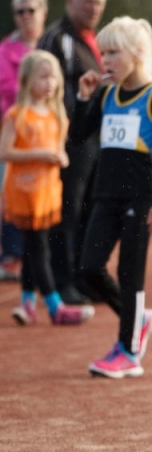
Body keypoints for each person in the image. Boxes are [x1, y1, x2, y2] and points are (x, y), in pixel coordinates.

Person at [72, 16, 152, 379]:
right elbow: (77, 135)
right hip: (105, 195)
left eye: (114, 52)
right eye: (104, 53)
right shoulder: (105, 94)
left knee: (131, 275)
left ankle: (128, 352)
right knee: (87, 269)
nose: (106, 60)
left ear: (138, 53)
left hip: (140, 198)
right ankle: (139, 319)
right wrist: (84, 97)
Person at [0, 50, 95, 325]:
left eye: (54, 77)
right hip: (24, 193)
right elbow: (5, 151)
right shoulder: (17, 115)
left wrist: (61, 156)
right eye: (43, 76)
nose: (50, 83)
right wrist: (40, 154)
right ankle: (55, 305)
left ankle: (27, 301)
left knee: (34, 246)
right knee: (39, 246)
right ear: (27, 79)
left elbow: (60, 148)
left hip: (47, 193)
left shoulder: (57, 115)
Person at [37, 0, 107, 305]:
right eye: (87, 1)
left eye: (99, 2)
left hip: (94, 139)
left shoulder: (95, 40)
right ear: (69, 2)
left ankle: (83, 278)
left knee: (90, 210)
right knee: (68, 211)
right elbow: (48, 88)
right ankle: (62, 281)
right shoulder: (57, 38)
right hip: (68, 139)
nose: (94, 8)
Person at [0, 0, 50, 281]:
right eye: (20, 11)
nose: (26, 16)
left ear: (43, 12)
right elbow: (7, 91)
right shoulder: (6, 51)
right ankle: (11, 256)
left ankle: (37, 261)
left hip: (47, 131)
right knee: (12, 192)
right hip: (15, 132)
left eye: (31, 10)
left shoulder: (50, 45)